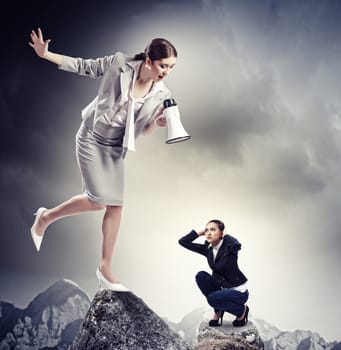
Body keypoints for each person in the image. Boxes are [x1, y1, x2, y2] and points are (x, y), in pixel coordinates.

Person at [29, 28, 178, 292]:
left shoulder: (162, 96)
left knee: (115, 206)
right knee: (98, 201)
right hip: (90, 137)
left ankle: (105, 268)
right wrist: (46, 54)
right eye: (163, 65)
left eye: (171, 67)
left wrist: (157, 123)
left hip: (115, 148)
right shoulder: (119, 63)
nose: (166, 71)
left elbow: (142, 131)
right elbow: (84, 66)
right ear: (148, 61)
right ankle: (45, 218)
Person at [178, 219, 249, 327]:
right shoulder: (208, 249)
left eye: (212, 229)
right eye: (207, 230)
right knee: (201, 276)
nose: (209, 233)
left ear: (221, 233)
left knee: (212, 299)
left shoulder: (230, 247)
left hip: (238, 292)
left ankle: (241, 311)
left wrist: (225, 236)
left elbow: (237, 245)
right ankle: (218, 311)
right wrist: (200, 232)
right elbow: (183, 242)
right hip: (223, 289)